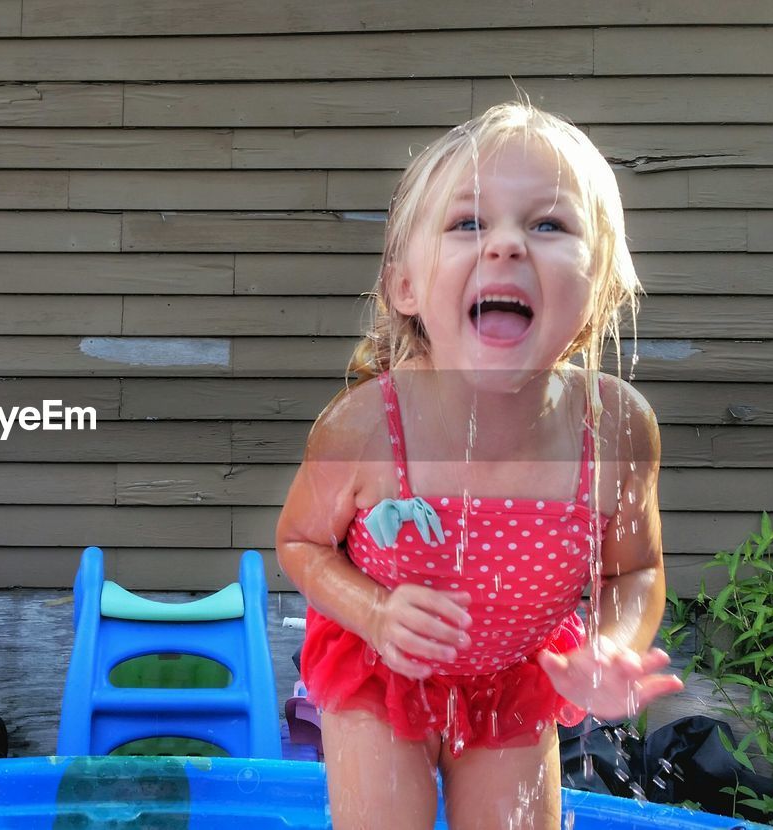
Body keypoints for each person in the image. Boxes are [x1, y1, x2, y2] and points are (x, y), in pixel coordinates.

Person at [275, 102, 684, 829]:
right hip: (381, 668)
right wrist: (374, 612)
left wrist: (609, 645)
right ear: (405, 287)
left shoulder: (614, 428)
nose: (505, 246)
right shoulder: (367, 428)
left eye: (548, 224)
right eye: (468, 223)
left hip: (516, 676)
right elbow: (301, 544)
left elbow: (635, 571)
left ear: (595, 296)